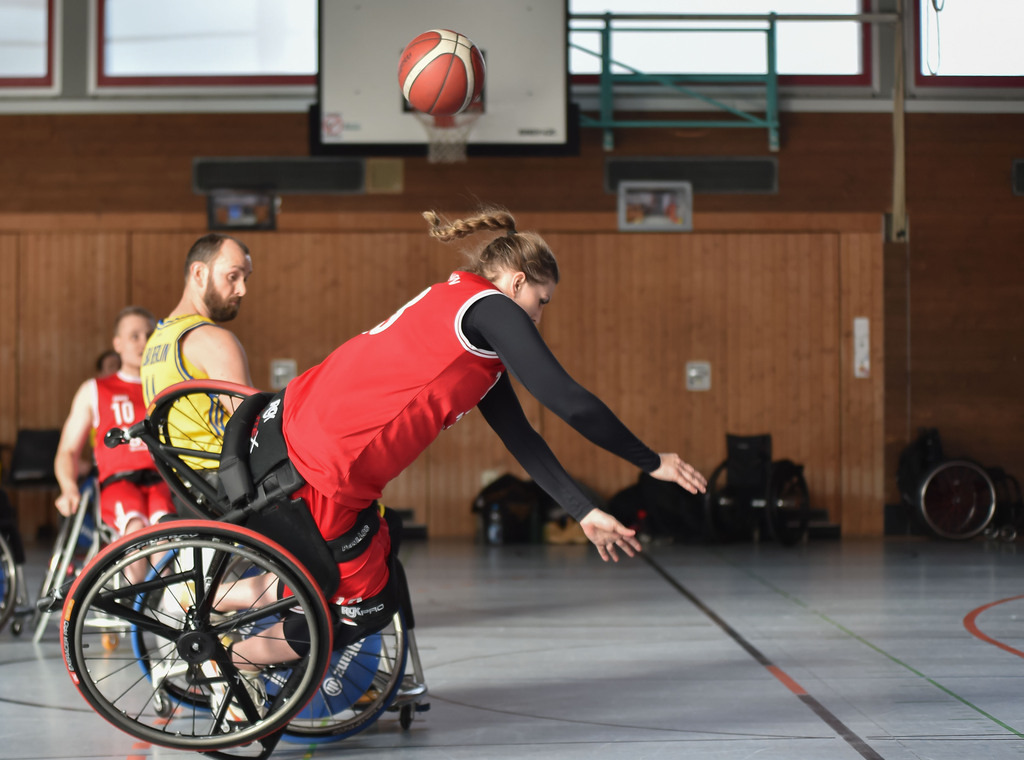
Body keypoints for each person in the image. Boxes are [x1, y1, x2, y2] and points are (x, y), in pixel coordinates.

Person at [215, 206, 707, 693]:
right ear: (516, 282)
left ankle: (218, 598)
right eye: (541, 301)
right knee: (365, 607)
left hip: (285, 428)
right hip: (321, 468)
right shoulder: (493, 308)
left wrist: (583, 510)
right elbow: (568, 400)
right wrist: (651, 461)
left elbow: (521, 437)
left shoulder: (456, 303)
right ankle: (234, 661)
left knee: (380, 541)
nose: (539, 317)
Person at [54, 307, 175, 583]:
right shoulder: (95, 389)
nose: (143, 342)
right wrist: (68, 487)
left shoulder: (166, 388)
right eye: (134, 336)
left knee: (165, 536)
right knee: (134, 529)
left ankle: (168, 603)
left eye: (149, 334)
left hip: (161, 483)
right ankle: (135, 601)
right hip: (118, 485)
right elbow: (68, 450)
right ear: (117, 344)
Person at [140, 233, 253, 457]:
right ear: (199, 273)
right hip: (224, 472)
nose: (242, 289)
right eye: (233, 276)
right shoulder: (212, 339)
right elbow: (256, 425)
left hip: (182, 476)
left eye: (245, 279)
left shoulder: (157, 341)